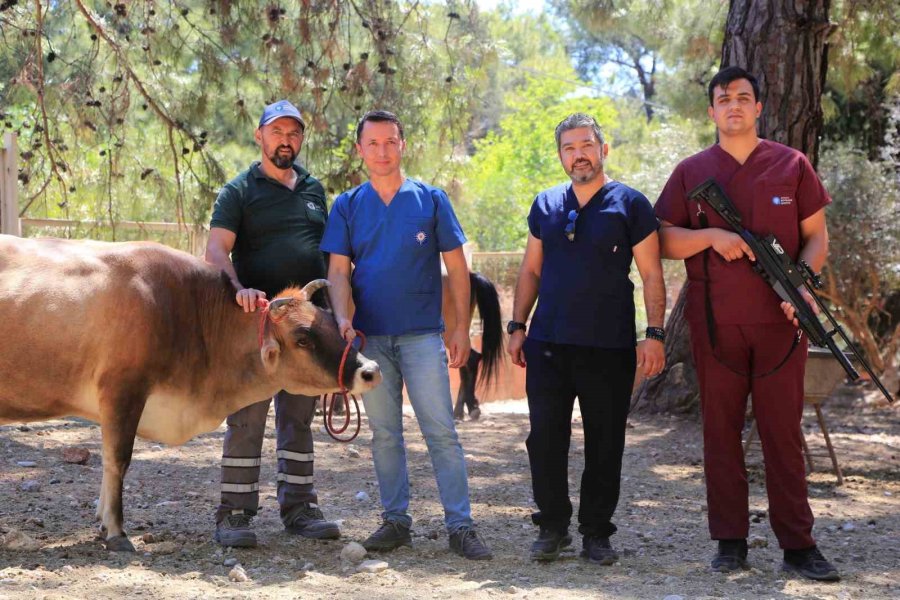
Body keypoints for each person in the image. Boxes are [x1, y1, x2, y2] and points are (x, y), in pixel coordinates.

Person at [654, 66, 839, 581]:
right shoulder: (692, 171)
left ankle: (798, 545)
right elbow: (665, 240)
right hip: (715, 323)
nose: (733, 106)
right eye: (723, 99)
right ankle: (730, 543)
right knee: (720, 431)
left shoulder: (792, 165)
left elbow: (816, 237)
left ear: (759, 108)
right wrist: (711, 236)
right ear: (711, 111)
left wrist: (801, 284)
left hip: (782, 323)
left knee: (783, 433)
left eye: (743, 98)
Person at [321, 110, 492, 560]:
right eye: (372, 143)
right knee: (384, 434)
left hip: (422, 339)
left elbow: (458, 270)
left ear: (403, 145)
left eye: (390, 142)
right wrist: (342, 319)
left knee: (441, 431)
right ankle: (395, 522)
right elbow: (338, 271)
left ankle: (461, 525)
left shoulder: (431, 200)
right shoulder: (348, 205)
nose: (382, 151)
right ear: (360, 150)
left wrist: (459, 327)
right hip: (370, 341)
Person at [507, 113, 666, 564]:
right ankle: (553, 527)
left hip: (609, 346)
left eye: (586, 144)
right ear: (560, 156)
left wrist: (653, 334)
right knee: (545, 440)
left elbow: (652, 274)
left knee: (605, 441)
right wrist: (517, 326)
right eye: (569, 147)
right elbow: (531, 270)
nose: (578, 154)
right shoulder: (546, 204)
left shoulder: (631, 204)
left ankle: (597, 532)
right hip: (549, 344)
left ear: (603, 149)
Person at [205, 100, 340, 547]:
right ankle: (234, 515)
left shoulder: (315, 190)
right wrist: (236, 288)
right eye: (277, 131)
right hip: (254, 326)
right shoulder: (239, 190)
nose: (286, 140)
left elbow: (326, 255)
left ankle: (300, 509)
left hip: (304, 328)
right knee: (246, 419)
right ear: (259, 136)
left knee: (299, 418)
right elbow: (216, 251)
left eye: (294, 133)